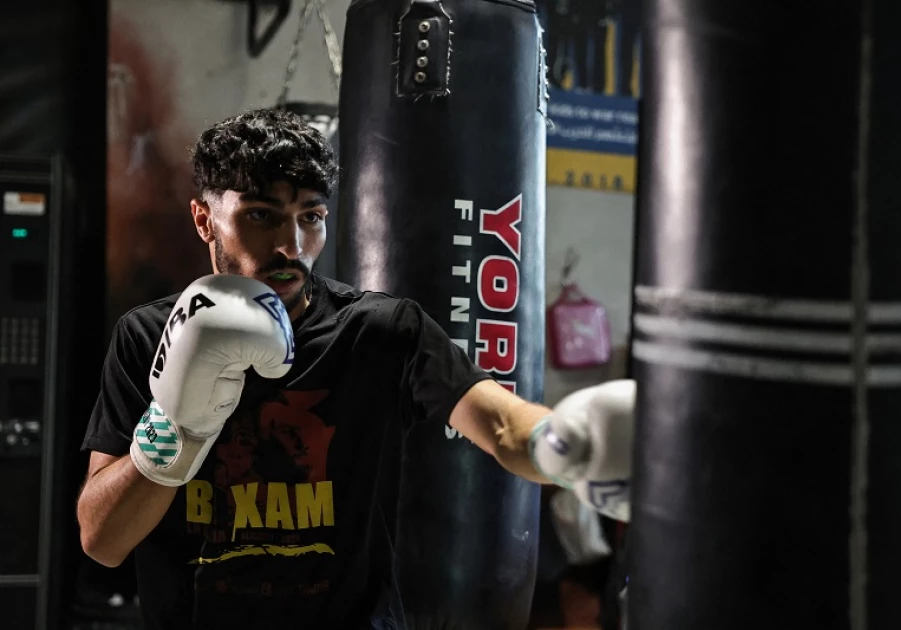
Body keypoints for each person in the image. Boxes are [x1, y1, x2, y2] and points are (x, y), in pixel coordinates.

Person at [76, 108, 632, 629]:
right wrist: (176, 430)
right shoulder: (148, 336)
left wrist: (565, 445)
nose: (290, 246)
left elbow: (504, 427)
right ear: (205, 220)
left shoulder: (381, 331)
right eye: (261, 215)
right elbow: (102, 540)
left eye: (310, 217)